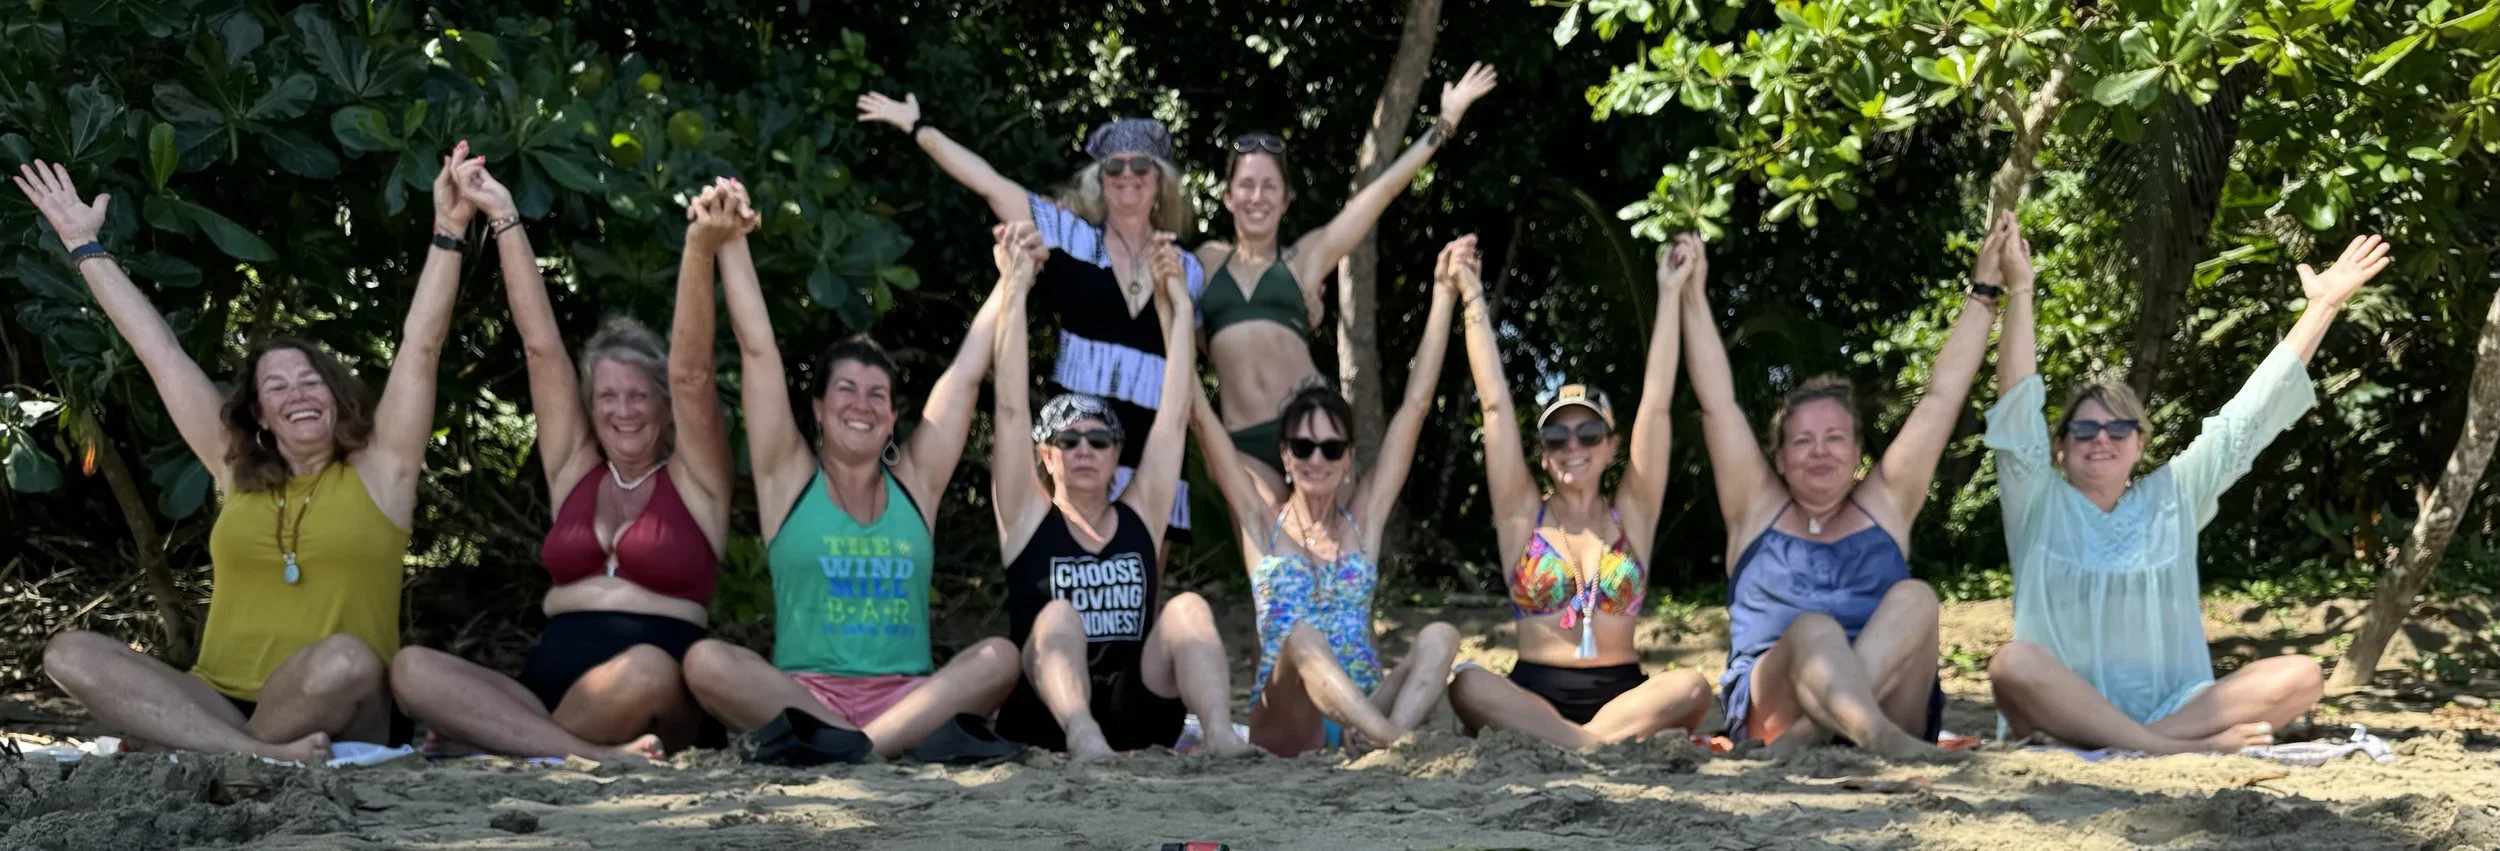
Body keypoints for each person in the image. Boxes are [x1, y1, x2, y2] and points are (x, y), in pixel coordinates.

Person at [22, 144, 473, 762]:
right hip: (219, 701)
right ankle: (251, 752)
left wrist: (449, 231)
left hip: (339, 703)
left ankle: (215, 752)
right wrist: (83, 246)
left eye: (311, 380)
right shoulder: (233, 468)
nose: (297, 394)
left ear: (338, 398)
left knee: (346, 657)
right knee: (68, 652)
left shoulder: (382, 470)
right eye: (277, 387)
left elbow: (422, 348)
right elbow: (160, 354)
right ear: (260, 416)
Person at [388, 172, 752, 760]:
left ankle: (505, 742)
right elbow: (541, 346)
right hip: (549, 695)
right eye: (608, 397)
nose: (624, 411)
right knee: (410, 669)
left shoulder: (696, 480)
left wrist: (699, 247)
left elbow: (692, 373)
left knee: (645, 669)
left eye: (639, 396)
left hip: (650, 694)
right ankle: (573, 750)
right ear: (590, 405)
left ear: (663, 404)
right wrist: (503, 214)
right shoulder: (573, 472)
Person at [1984, 224, 2388, 753]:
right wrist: (2019, 291)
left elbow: (2249, 418)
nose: (2100, 439)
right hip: (2063, 710)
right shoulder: (2036, 502)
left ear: (2139, 444)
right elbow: (2016, 402)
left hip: (2178, 709)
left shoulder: (2173, 494)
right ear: (2058, 446)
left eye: (2118, 429)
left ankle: (2150, 741)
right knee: (2012, 662)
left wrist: (2323, 306)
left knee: (2303, 676)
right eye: (2083, 429)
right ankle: (2180, 746)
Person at [674, 191, 1024, 760]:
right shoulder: (786, 477)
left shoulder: (916, 484)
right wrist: (733, 242)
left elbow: (964, 376)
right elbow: (758, 353)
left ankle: (849, 748)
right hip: (805, 695)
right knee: (705, 661)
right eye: (846, 390)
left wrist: (1008, 281)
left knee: (1001, 657)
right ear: (817, 408)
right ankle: (864, 745)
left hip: (907, 698)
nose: (861, 405)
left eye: (877, 396)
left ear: (891, 420)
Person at [1687, 219, 2006, 760]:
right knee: (1813, 629)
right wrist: (1692, 293)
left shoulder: (1885, 503)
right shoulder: (1754, 507)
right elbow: (1718, 402)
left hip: (1891, 704)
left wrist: (1984, 293)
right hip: (1775, 702)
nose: (1819, 451)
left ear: (1858, 453)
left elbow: (1940, 401)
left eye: (1835, 438)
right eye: (1803, 441)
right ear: (1780, 459)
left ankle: (1817, 737)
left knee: (1917, 598)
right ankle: (1872, 738)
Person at [856, 96, 1202, 549]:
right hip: (1079, 440)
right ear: (1099, 182)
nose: (1127, 176)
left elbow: (1201, 352)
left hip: (1154, 442)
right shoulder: (1071, 237)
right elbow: (989, 184)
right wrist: (919, 126)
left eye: (1140, 164)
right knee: (1070, 571)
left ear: (1160, 180)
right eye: (1113, 168)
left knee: (1143, 583)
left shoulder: (1186, 266)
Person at [1186, 237, 1471, 757]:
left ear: (1347, 459)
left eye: (1331, 446)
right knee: (1301, 638)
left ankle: (1385, 738)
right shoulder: (1261, 519)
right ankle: (1399, 746)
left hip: (1363, 709)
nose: (1317, 458)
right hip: (1288, 720)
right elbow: (1202, 420)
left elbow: (1415, 407)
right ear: (1286, 457)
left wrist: (1443, 295)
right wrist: (1173, 312)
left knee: (1441, 636)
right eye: (1303, 446)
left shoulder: (1362, 519)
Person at [990, 228, 1253, 760]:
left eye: (1099, 438)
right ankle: (1084, 735)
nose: (1084, 449)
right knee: (1058, 617)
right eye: (1068, 439)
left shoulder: (1140, 511)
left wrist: (1178, 304)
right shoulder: (1025, 516)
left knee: (1187, 608)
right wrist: (1015, 290)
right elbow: (1012, 408)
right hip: (1050, 717)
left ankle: (1221, 734)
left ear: (1116, 453)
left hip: (1136, 712)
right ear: (1046, 455)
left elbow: (1174, 413)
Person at [1446, 234, 1713, 749]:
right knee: (1467, 683)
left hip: (1622, 693)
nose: (1574, 447)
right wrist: (1472, 295)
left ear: (1611, 446)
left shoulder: (1633, 512)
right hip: (1534, 693)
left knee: (1693, 685)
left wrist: (1670, 293)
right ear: (1543, 453)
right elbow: (1495, 407)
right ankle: (1590, 744)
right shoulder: (1522, 514)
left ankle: (1573, 743)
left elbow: (1656, 406)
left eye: (1589, 434)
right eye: (1557, 437)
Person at [1194, 63, 1499, 498]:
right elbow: (1182, 330)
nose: (1256, 197)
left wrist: (1445, 123)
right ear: (1227, 197)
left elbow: (1383, 192)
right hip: (1242, 444)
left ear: (1286, 200)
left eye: (1268, 186)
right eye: (1245, 186)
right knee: (1272, 556)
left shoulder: (1304, 258)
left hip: (1312, 428)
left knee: (1330, 554)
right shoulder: (1205, 262)